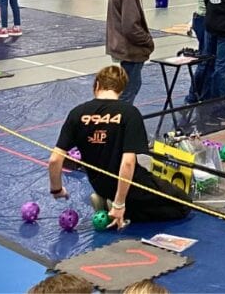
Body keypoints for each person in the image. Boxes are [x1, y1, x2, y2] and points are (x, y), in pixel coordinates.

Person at [48, 66, 191, 227]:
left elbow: (54, 160)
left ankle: (106, 199)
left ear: (96, 85)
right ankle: (124, 209)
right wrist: (119, 203)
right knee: (183, 204)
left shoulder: (77, 113)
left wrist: (57, 189)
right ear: (121, 90)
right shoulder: (129, 113)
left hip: (100, 185)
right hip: (129, 186)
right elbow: (128, 162)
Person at [105, 0, 154, 105]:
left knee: (131, 86)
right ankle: (118, 124)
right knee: (128, 92)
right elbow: (131, 26)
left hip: (123, 46)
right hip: (129, 48)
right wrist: (147, 41)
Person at [185, 0, 225, 105]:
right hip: (204, 19)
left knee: (208, 60)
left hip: (204, 18)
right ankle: (193, 95)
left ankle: (203, 94)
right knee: (204, 61)